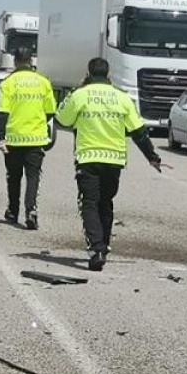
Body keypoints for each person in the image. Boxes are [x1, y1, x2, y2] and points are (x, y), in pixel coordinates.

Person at [56, 58, 166, 271]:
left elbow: (63, 119)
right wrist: (152, 157)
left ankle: (96, 248)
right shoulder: (122, 97)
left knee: (88, 203)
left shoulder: (80, 95)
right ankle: (104, 245)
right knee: (105, 203)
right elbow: (138, 132)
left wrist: (78, 89)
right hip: (114, 160)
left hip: (88, 158)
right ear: (109, 74)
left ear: (88, 72)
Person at [0, 46, 56, 229]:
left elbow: (2, 113)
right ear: (31, 61)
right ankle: (31, 211)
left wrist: (0, 138)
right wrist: (38, 123)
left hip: (14, 138)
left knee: (13, 177)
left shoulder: (8, 83)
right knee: (33, 177)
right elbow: (51, 111)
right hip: (36, 138)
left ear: (15, 61)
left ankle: (13, 211)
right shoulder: (43, 82)